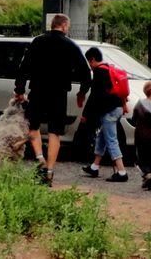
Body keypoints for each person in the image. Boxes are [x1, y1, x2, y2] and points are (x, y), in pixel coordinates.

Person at [13, 14, 91, 187]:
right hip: (59, 94)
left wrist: (19, 90)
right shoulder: (70, 45)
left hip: (38, 91)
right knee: (55, 132)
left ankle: (40, 159)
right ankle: (49, 170)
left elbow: (23, 68)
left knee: (32, 127)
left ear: (52, 25)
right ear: (63, 26)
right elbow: (86, 73)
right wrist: (82, 93)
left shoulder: (38, 42)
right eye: (67, 26)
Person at [80, 47, 130, 182]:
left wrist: (86, 114)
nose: (90, 66)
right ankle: (94, 167)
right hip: (117, 108)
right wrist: (124, 105)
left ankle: (121, 172)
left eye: (89, 62)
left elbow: (94, 96)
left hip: (109, 112)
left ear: (92, 59)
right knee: (102, 138)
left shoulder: (99, 72)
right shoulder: (109, 69)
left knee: (111, 140)